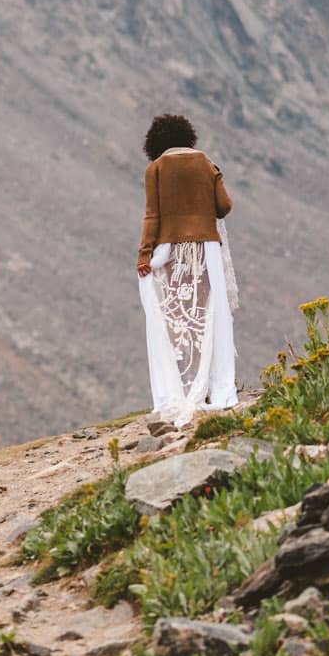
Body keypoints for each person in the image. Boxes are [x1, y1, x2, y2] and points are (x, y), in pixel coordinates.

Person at [136, 113, 238, 426]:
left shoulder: (156, 169)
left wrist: (144, 254)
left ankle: (181, 387)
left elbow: (152, 217)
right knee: (209, 315)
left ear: (155, 143)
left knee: (177, 316)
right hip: (206, 248)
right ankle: (215, 388)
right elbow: (224, 206)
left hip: (171, 250)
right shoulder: (206, 163)